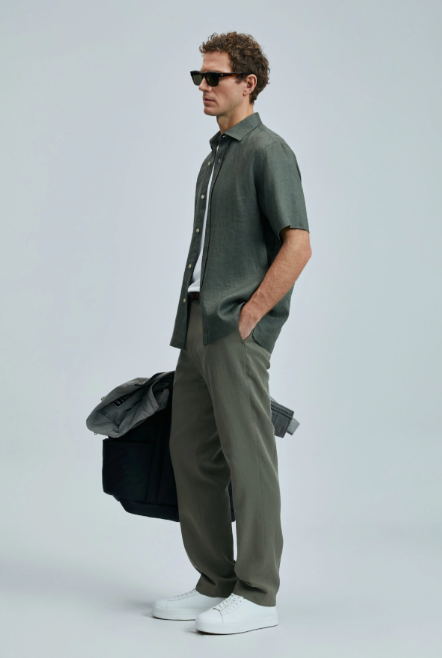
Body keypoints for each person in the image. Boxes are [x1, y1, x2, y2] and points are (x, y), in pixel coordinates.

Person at [153, 31, 312, 635]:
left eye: (214, 76)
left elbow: (298, 244)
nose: (203, 86)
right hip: (198, 322)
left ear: (248, 83)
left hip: (235, 328)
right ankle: (215, 582)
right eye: (198, 76)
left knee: (249, 459)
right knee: (192, 454)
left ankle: (259, 593)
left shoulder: (268, 150)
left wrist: (252, 315)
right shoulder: (214, 156)